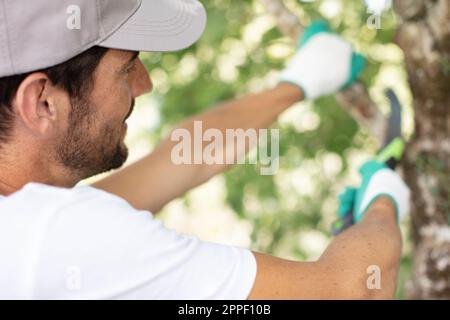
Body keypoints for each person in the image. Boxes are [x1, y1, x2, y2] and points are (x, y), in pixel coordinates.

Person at [0, 0, 409, 299]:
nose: (144, 84)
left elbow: (178, 161)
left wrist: (295, 85)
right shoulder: (58, 236)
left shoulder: (26, 221)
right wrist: (384, 204)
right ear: (43, 102)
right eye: (127, 66)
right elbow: (352, 289)